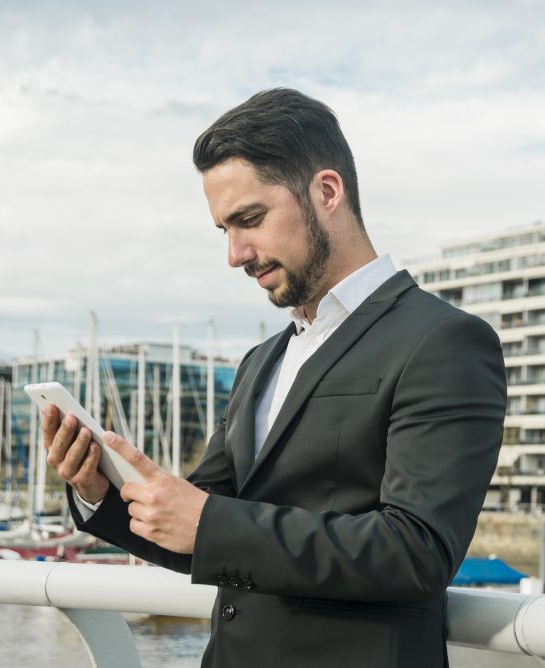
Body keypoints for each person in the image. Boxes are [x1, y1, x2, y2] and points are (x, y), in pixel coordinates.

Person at [42, 88, 507, 667]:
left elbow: (415, 553)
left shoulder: (444, 341)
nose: (235, 254)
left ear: (327, 192)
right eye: (224, 230)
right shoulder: (260, 360)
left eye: (250, 220)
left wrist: (208, 521)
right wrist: (99, 490)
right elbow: (202, 527)